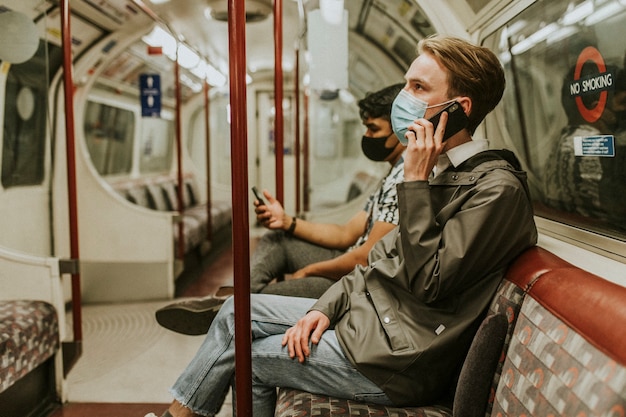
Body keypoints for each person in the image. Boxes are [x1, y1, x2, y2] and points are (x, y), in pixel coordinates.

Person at [145, 35, 538, 417]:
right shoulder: (441, 173)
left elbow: (428, 283)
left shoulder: (494, 191)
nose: (404, 97)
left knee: (249, 357)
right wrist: (324, 307)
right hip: (373, 322)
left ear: (459, 108)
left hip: (397, 360)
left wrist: (414, 183)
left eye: (418, 87)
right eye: (406, 83)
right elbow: (378, 261)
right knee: (236, 312)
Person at [155, 83, 407, 335]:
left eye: (374, 129)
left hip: (358, 282)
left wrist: (310, 270)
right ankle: (233, 300)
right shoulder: (391, 173)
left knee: (260, 300)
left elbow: (365, 258)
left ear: (400, 129)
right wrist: (287, 221)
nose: (367, 136)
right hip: (350, 264)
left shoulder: (404, 176)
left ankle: (233, 303)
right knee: (278, 238)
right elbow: (345, 234)